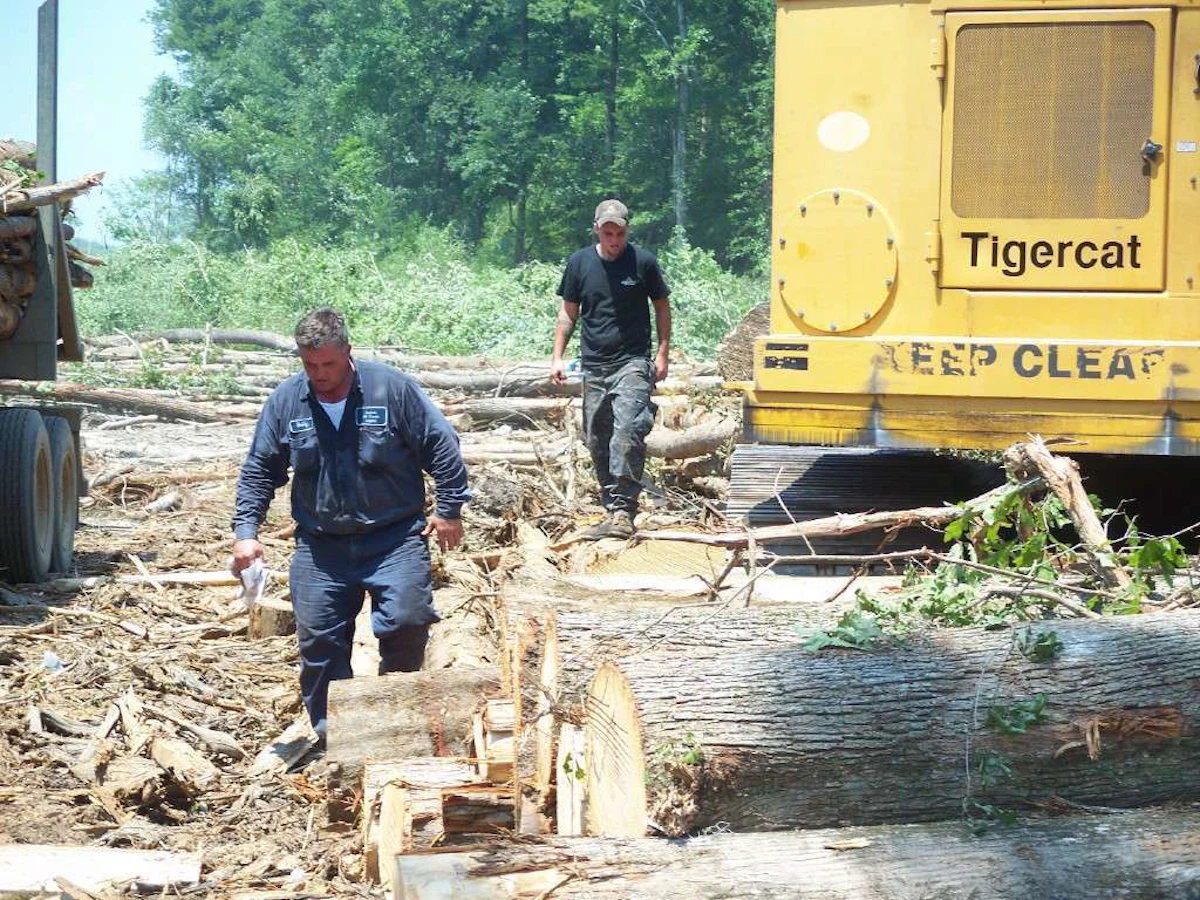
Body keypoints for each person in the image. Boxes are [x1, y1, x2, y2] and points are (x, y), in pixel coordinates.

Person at [230, 307, 470, 743]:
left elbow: (442, 444)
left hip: (394, 539)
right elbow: (260, 469)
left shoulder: (390, 389)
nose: (319, 374)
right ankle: (334, 741)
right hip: (321, 549)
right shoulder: (288, 401)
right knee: (320, 645)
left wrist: (449, 508)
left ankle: (396, 720)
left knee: (407, 620)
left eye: (329, 364)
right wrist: (246, 533)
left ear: (348, 353)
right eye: (310, 365)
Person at [551, 198, 671, 538]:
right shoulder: (579, 263)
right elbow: (568, 313)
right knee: (597, 437)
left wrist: (662, 354)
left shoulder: (643, 263)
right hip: (594, 363)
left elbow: (662, 307)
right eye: (608, 233)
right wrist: (557, 356)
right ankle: (609, 505)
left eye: (619, 233)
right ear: (597, 230)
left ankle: (624, 510)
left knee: (629, 430)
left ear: (627, 231)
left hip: (632, 361)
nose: (614, 240)